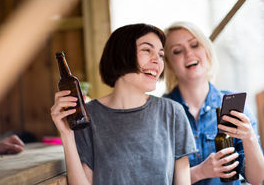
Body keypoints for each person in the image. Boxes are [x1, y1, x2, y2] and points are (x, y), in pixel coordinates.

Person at [51, 23, 197, 185]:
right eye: (147, 50)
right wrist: (67, 134)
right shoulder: (88, 116)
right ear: (121, 55)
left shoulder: (172, 112)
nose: (157, 61)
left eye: (161, 55)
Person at [163, 21, 264, 185]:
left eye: (195, 45)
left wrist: (249, 138)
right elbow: (153, 178)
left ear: (207, 51)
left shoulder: (233, 105)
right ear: (168, 63)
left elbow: (258, 179)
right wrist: (200, 172)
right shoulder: (161, 112)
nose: (188, 53)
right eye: (177, 51)